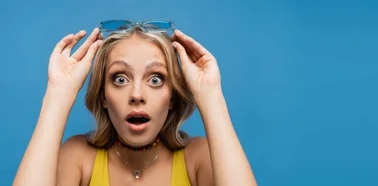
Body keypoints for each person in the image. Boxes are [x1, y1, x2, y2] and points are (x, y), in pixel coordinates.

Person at [13, 20, 257, 186]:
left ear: (172, 97)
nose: (137, 94)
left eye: (155, 79)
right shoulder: (78, 157)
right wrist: (58, 94)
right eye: (120, 78)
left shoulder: (199, 157)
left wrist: (211, 94)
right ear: (103, 96)